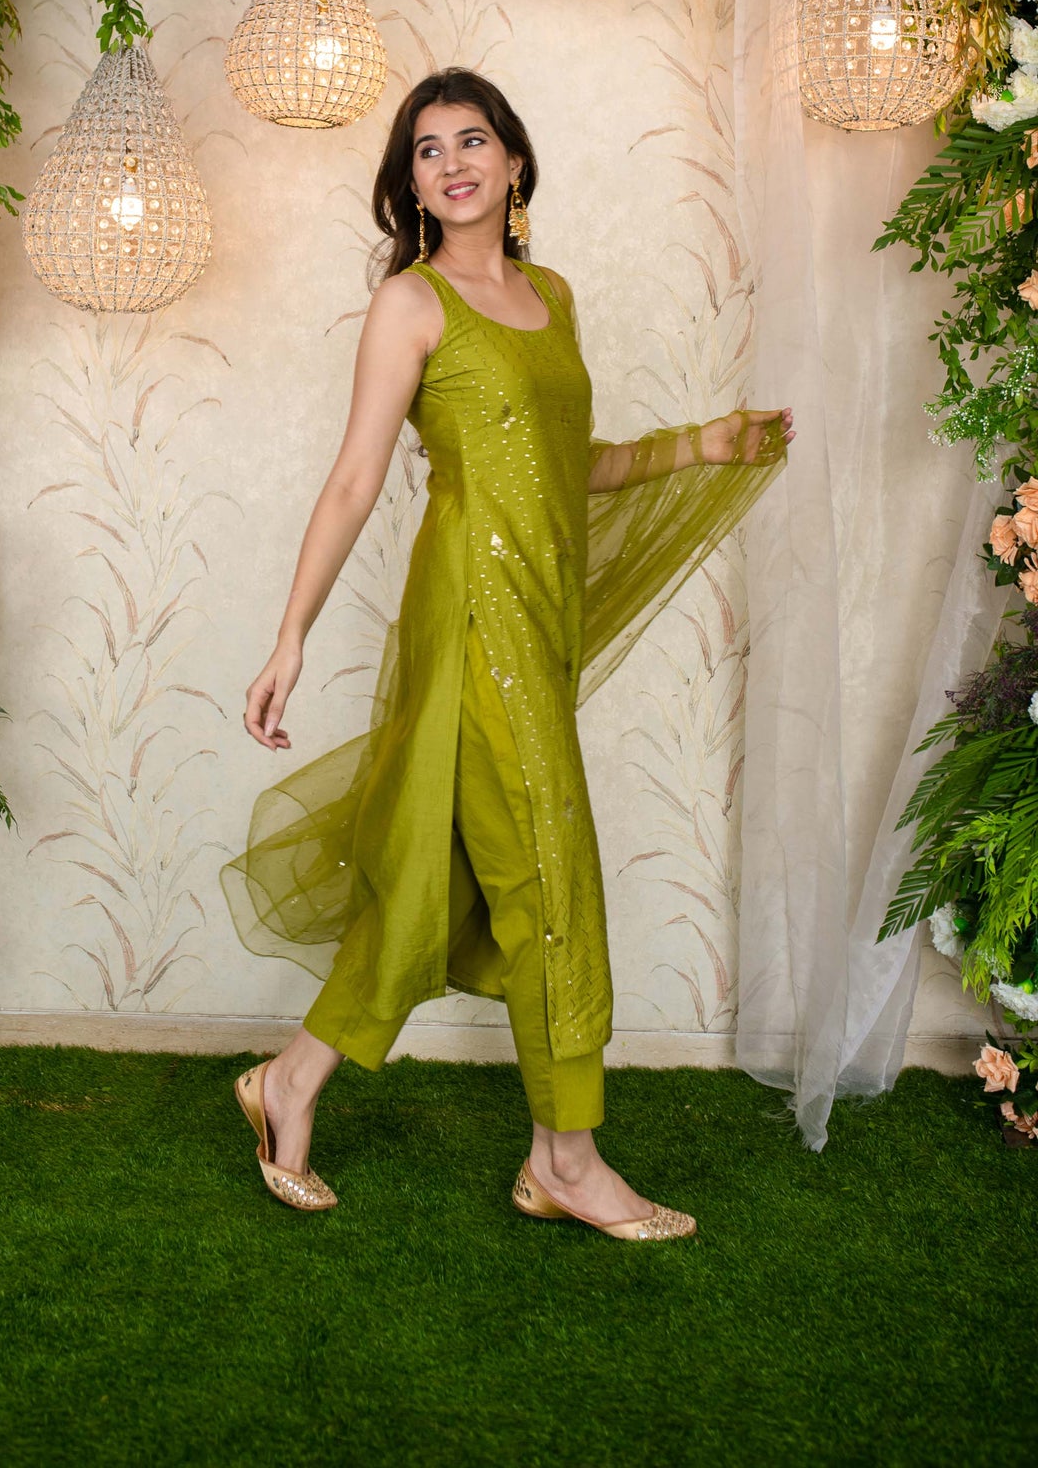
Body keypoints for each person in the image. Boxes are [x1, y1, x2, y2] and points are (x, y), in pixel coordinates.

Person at [223, 67, 794, 1242]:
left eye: (471, 140)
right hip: (473, 616)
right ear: (411, 184)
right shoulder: (412, 305)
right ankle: (566, 1157)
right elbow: (355, 477)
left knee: (440, 869)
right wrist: (289, 638)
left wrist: (705, 443)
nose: (452, 163)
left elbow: (568, 464)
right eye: (427, 150)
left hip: (540, 616)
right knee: (547, 866)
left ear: (516, 161)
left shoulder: (552, 298)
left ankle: (289, 1081)